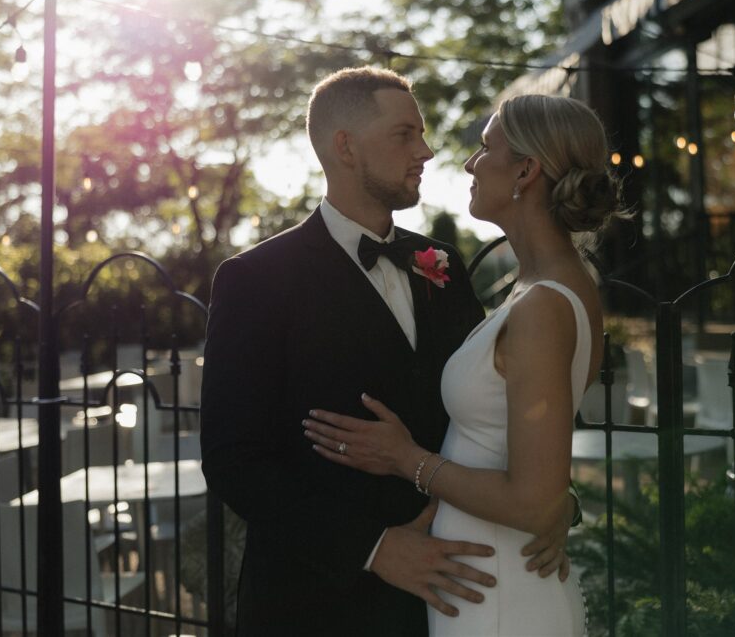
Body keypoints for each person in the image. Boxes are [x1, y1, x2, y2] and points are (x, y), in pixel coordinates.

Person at [200, 69, 575, 636]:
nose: (425, 150)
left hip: (449, 600)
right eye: (405, 134)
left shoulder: (442, 266)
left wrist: (549, 502)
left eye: (422, 134)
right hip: (316, 604)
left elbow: (496, 408)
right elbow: (233, 460)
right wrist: (373, 548)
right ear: (344, 146)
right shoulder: (255, 280)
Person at [304, 93, 626, 636]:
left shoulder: (544, 304)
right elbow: (532, 454)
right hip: (486, 580)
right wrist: (555, 501)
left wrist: (408, 459)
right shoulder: (551, 287)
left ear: (526, 170)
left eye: (484, 148)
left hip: (501, 593)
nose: (469, 163)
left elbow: (530, 499)